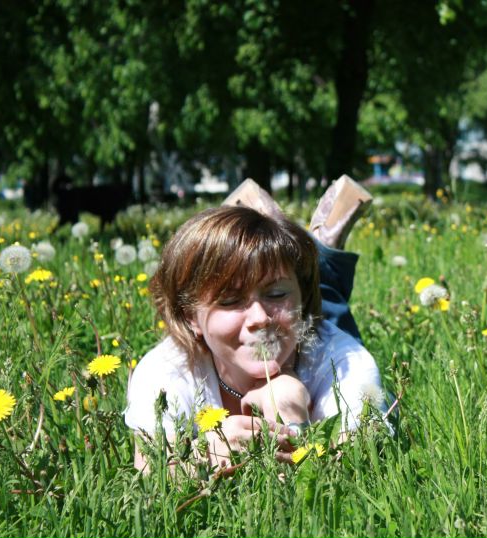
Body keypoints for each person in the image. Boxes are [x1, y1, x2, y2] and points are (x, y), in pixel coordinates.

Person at [125, 176, 385, 468]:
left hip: (309, 331)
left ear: (300, 298)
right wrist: (206, 455)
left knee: (326, 305)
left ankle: (309, 246)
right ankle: (304, 240)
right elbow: (150, 470)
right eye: (229, 300)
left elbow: (365, 461)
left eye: (276, 293)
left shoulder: (344, 358)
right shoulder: (166, 370)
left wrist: (296, 423)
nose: (260, 318)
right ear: (190, 317)